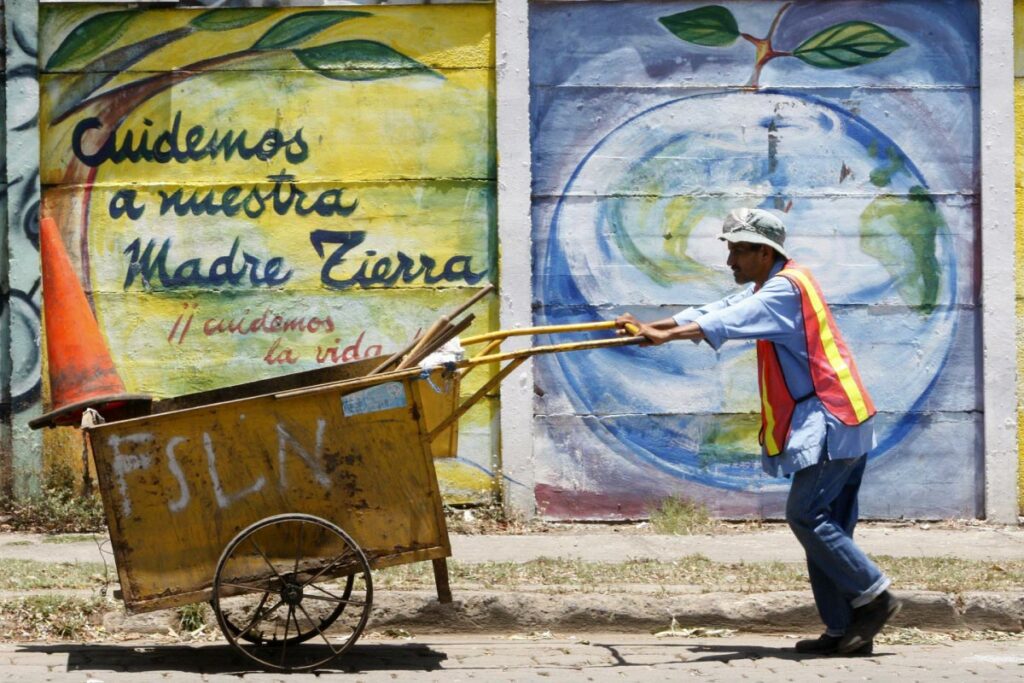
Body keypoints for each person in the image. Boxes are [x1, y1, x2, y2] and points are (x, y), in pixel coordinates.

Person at [616, 208, 901, 656]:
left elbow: (728, 321)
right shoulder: (775, 284)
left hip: (831, 417)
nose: (731, 262)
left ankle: (876, 595)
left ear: (764, 252)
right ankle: (845, 631)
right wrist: (656, 327)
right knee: (827, 532)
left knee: (806, 516)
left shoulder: (785, 290)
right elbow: (719, 309)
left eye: (737, 251)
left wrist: (664, 337)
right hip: (843, 415)